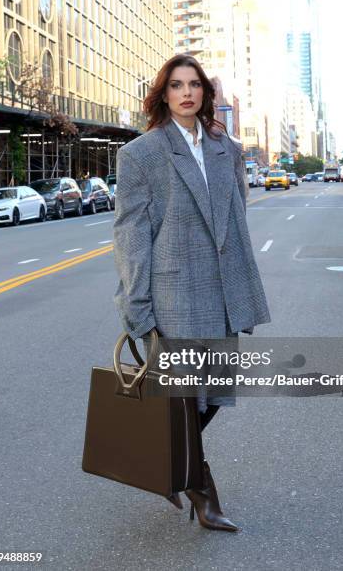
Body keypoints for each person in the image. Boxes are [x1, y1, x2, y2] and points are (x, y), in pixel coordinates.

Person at [113, 54, 270, 531]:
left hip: (222, 292)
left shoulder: (227, 147)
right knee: (185, 398)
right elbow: (132, 236)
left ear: (205, 94)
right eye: (177, 85)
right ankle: (202, 492)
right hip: (174, 295)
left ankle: (166, 466)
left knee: (213, 395)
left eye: (195, 84)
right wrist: (137, 307)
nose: (187, 92)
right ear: (163, 94)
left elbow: (237, 216)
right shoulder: (141, 154)